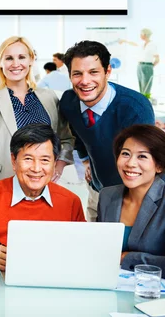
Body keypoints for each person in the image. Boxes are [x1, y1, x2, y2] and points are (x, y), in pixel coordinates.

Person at [0, 124, 85, 271]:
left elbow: (81, 248)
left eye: (45, 160)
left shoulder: (70, 201)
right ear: (14, 161)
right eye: (28, 159)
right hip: (1, 281)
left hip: (54, 280)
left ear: (55, 162)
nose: (36, 168)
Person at [60, 41, 155, 221]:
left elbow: (143, 161)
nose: (85, 81)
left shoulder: (134, 108)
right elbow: (78, 134)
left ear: (108, 71)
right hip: (97, 189)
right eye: (77, 74)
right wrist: (87, 161)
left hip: (132, 194)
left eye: (93, 72)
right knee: (95, 242)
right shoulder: (69, 102)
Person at [0, 36, 74, 187]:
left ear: (31, 60)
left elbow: (66, 139)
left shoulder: (49, 97)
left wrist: (59, 165)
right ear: (0, 62)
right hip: (5, 182)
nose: (16, 64)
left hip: (45, 183)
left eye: (21, 57)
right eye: (9, 58)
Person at [98, 125, 165, 272]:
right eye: (126, 154)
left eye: (142, 156)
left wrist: (127, 259)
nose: (130, 164)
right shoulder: (106, 196)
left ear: (159, 165)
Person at [119, 28, 160, 97]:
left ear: (144, 35)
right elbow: (133, 43)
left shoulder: (152, 45)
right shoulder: (142, 43)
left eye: (141, 34)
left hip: (147, 65)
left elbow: (157, 59)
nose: (140, 36)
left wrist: (150, 66)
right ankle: (142, 101)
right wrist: (124, 41)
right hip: (140, 66)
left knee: (146, 86)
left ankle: (146, 100)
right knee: (141, 84)